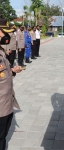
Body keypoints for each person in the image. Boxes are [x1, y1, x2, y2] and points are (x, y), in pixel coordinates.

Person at [0, 18, 23, 150]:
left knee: (3, 136)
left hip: (6, 103)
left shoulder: (1, 50)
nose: (7, 36)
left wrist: (12, 71)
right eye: (4, 32)